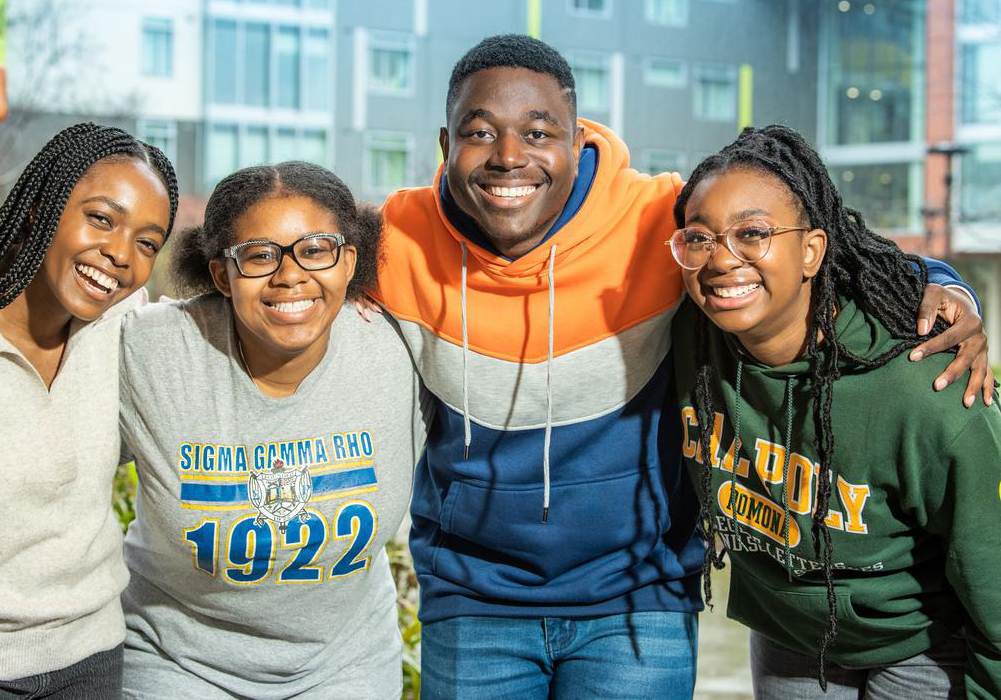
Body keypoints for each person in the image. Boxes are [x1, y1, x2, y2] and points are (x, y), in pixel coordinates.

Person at [370, 34, 993, 698]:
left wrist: (945, 284)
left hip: (639, 597)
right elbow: (300, 276)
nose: (509, 156)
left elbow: (806, 237)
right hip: (474, 599)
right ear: (445, 145)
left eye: (537, 131)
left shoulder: (654, 218)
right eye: (479, 132)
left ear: (576, 138)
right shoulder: (394, 237)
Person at [669, 124, 1001, 698]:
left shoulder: (929, 388)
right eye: (699, 238)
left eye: (753, 233)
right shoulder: (683, 342)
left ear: (812, 250)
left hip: (923, 641)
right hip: (791, 631)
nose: (721, 259)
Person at [118, 162, 428, 699]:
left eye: (315, 249)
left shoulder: (402, 348)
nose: (290, 275)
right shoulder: (152, 352)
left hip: (345, 663)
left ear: (348, 261)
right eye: (259, 255)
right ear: (221, 275)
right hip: (176, 658)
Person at [0, 123, 178, 700]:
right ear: (38, 209)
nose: (121, 255)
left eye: (148, 242)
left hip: (94, 660)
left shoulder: (122, 327)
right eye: (101, 218)